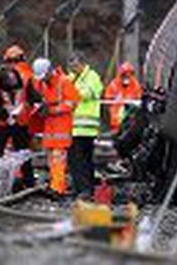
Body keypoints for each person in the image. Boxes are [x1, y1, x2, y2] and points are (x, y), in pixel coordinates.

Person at [29, 58, 80, 197]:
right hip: (50, 127)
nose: (42, 79)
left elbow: (73, 103)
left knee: (58, 159)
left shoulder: (64, 82)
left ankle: (58, 188)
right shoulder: (43, 84)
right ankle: (54, 185)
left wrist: (53, 110)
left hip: (61, 127)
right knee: (52, 159)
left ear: (50, 71)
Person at [0, 66, 35, 189]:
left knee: (24, 152)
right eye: (10, 79)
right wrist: (6, 116)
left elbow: (33, 98)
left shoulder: (24, 84)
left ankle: (29, 181)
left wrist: (34, 105)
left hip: (20, 123)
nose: (13, 81)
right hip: (3, 124)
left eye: (14, 78)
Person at [67, 52, 103, 197]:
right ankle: (81, 188)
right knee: (76, 160)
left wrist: (71, 91)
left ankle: (85, 189)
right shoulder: (71, 77)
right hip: (73, 128)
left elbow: (89, 93)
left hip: (85, 127)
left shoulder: (92, 77)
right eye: (70, 66)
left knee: (81, 159)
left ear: (82, 63)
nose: (72, 68)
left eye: (75, 65)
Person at [104, 62, 143, 134]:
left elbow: (139, 100)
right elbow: (108, 100)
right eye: (124, 75)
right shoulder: (114, 85)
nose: (126, 77)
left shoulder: (135, 85)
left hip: (130, 123)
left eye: (129, 75)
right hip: (116, 123)